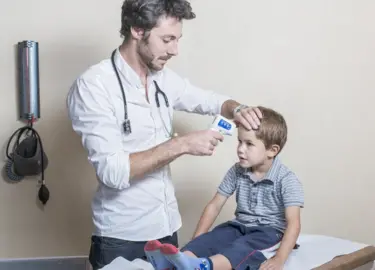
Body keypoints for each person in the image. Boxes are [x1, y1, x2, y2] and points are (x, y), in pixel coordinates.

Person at [65, 0, 263, 269]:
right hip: (122, 236)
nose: (175, 50)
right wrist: (181, 144)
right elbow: (113, 172)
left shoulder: (162, 78)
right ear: (137, 30)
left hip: (166, 227)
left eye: (177, 39)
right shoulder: (94, 86)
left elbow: (211, 101)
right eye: (167, 39)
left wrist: (237, 108)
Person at [144, 106, 304, 270]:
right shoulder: (237, 170)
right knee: (214, 237)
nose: (241, 149)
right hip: (239, 226)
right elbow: (214, 205)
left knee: (241, 247)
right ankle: (177, 262)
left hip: (269, 233)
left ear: (272, 150)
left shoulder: (286, 180)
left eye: (249, 144)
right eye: (239, 141)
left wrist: (279, 259)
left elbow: (293, 224)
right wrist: (197, 240)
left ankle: (204, 266)